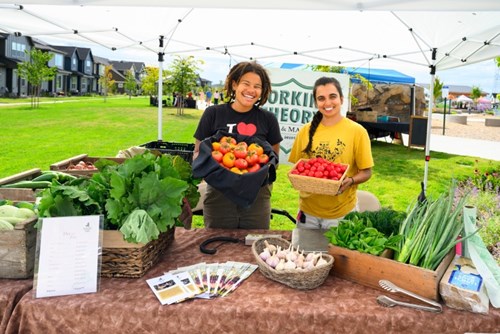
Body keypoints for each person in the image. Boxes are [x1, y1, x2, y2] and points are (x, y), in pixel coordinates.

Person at [193, 61, 283, 229]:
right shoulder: (213, 113)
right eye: (246, 83)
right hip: (219, 195)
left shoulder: (268, 119)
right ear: (234, 84)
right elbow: (198, 152)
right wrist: (219, 171)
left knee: (254, 244)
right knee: (217, 243)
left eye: (257, 86)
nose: (251, 90)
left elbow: (274, 161)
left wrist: (252, 174)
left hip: (257, 196)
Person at [288, 76, 374, 230]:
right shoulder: (305, 131)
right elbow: (300, 168)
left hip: (341, 214)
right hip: (308, 212)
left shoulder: (357, 131)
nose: (327, 103)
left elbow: (366, 172)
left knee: (338, 254)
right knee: (306, 253)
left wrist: (351, 181)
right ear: (316, 103)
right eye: (321, 98)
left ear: (341, 99)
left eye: (332, 97)